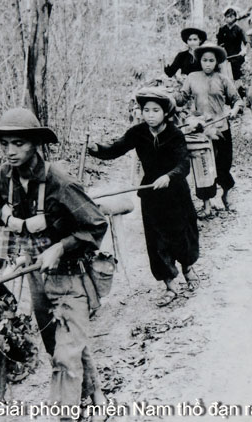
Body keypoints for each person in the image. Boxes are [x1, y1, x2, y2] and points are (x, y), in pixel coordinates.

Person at [0, 108, 108, 420]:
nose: (11, 151)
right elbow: (1, 214)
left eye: (19, 143)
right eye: (5, 144)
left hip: (71, 277)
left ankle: (66, 415)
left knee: (66, 354)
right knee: (58, 346)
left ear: (35, 145)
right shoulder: (4, 179)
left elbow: (95, 225)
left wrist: (60, 247)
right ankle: (94, 393)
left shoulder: (60, 183)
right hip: (37, 279)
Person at [88, 88, 200, 307]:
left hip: (176, 194)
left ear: (165, 113)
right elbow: (115, 149)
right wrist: (96, 148)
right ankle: (170, 286)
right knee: (157, 242)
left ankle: (188, 269)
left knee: (182, 236)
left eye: (155, 110)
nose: (150, 115)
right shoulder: (137, 132)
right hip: (152, 196)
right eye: (146, 110)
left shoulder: (175, 134)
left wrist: (169, 176)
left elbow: (184, 164)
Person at [177, 44, 243, 216]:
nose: (207, 64)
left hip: (221, 128)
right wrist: (170, 93)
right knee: (203, 167)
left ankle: (226, 196)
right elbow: (181, 98)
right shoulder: (192, 77)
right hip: (201, 130)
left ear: (216, 62)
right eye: (205, 60)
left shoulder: (223, 79)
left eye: (211, 60)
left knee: (223, 166)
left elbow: (237, 100)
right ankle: (206, 206)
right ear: (200, 61)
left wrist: (234, 110)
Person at [217, 6, 248, 84]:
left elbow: (246, 42)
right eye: (227, 17)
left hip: (237, 57)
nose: (229, 19)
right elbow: (219, 43)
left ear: (235, 17)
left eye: (231, 17)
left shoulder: (239, 29)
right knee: (225, 79)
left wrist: (244, 50)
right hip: (226, 58)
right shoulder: (222, 29)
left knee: (237, 78)